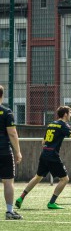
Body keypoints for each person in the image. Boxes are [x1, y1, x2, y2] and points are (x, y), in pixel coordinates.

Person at [15, 106, 71, 210]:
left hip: (44, 153)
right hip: (52, 156)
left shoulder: (51, 124)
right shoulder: (63, 125)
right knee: (65, 179)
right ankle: (52, 202)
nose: (70, 115)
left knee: (38, 176)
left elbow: (43, 142)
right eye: (69, 113)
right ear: (65, 114)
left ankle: (21, 198)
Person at [0, 85, 23, 220]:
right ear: (2, 95)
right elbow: (13, 134)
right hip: (4, 151)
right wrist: (18, 152)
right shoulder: (6, 112)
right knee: (8, 181)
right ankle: (9, 211)